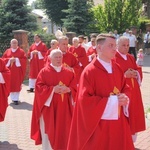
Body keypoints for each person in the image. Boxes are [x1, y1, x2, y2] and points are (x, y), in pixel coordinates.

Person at [67, 34, 134, 150]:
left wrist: (125, 97)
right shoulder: (89, 72)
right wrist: (113, 101)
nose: (114, 49)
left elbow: (125, 87)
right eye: (110, 45)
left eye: (115, 45)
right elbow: (84, 101)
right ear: (99, 48)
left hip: (118, 123)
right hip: (99, 125)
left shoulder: (117, 68)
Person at [31, 49, 77, 150]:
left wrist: (68, 89)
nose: (58, 59)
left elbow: (76, 88)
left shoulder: (69, 73)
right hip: (49, 110)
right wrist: (52, 90)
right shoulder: (43, 72)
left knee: (65, 131)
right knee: (49, 131)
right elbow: (39, 88)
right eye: (56, 57)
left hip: (65, 110)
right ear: (50, 58)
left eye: (60, 57)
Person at [115, 36, 145, 142]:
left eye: (127, 45)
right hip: (123, 92)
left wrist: (135, 73)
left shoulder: (131, 57)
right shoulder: (114, 58)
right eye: (123, 45)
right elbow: (112, 76)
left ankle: (132, 140)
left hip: (134, 92)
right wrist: (124, 75)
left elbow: (137, 68)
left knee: (134, 115)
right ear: (117, 45)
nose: (126, 47)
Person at [2, 39, 27, 105]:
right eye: (13, 43)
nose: (14, 44)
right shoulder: (7, 51)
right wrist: (9, 60)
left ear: (17, 44)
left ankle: (16, 99)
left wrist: (16, 59)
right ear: (10, 44)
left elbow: (24, 60)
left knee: (16, 83)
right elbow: (3, 60)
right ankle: (12, 98)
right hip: (9, 71)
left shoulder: (21, 51)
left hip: (17, 71)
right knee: (10, 83)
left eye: (15, 43)